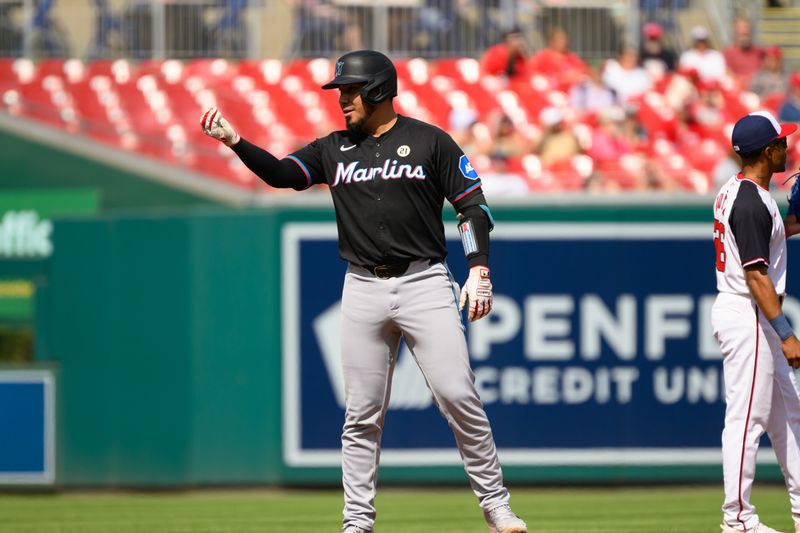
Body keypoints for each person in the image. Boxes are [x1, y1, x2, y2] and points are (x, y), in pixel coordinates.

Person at [200, 50, 527, 533]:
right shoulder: (334, 147)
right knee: (360, 414)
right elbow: (283, 175)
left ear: (377, 89)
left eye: (350, 90)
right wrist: (236, 141)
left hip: (423, 281)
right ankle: (357, 522)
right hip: (362, 286)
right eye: (341, 92)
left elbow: (472, 207)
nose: (343, 100)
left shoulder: (428, 141)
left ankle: (495, 504)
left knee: (458, 395)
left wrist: (478, 268)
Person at [712, 110, 800, 533]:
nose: (787, 146)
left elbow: (769, 235)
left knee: (790, 417)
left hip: (753, 311)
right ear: (768, 152)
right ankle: (738, 521)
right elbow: (756, 274)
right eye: (781, 142)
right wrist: (786, 334)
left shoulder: (744, 191)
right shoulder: (748, 200)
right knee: (747, 419)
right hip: (749, 312)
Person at [527, 26, 587, 91]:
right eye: (560, 39)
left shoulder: (572, 57)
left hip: (572, 95)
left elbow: (583, 73)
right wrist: (561, 78)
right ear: (551, 41)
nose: (563, 42)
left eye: (564, 39)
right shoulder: (542, 57)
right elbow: (531, 74)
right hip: (550, 94)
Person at [723, 18, 764, 89]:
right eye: (741, 28)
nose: (744, 31)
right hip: (737, 89)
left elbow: (764, 73)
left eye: (746, 28)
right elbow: (728, 74)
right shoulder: (728, 53)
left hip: (758, 88)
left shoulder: (759, 52)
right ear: (735, 31)